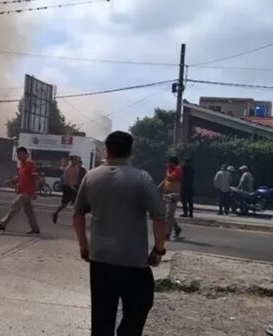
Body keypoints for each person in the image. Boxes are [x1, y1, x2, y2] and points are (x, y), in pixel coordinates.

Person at [73, 131, 167, 336]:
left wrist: (83, 246)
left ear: (107, 150)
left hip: (100, 260)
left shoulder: (91, 176)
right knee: (140, 306)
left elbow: (78, 213)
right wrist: (158, 251)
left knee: (101, 315)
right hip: (133, 261)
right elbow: (159, 218)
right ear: (131, 151)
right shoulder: (141, 178)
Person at [0, 147, 40, 235]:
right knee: (29, 211)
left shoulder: (30, 164)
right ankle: (35, 229)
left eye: (21, 154)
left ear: (26, 154)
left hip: (27, 191)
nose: (19, 156)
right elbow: (19, 177)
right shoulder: (21, 164)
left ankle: (3, 224)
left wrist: (35, 191)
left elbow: (35, 178)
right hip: (22, 190)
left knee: (15, 205)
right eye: (18, 154)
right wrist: (11, 181)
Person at [52, 155, 87, 224]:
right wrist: (71, 187)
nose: (77, 161)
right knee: (64, 204)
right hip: (68, 187)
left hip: (76, 186)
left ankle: (75, 220)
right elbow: (66, 179)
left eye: (77, 160)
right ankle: (55, 213)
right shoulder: (68, 169)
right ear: (71, 161)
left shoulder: (77, 168)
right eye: (75, 160)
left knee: (78, 204)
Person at [158, 156, 183, 239]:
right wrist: (158, 187)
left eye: (168, 163)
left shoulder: (178, 169)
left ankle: (167, 234)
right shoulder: (170, 170)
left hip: (173, 195)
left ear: (173, 163)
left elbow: (171, 178)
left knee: (169, 215)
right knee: (167, 215)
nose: (167, 164)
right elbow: (166, 179)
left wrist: (168, 170)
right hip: (166, 194)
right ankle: (176, 228)